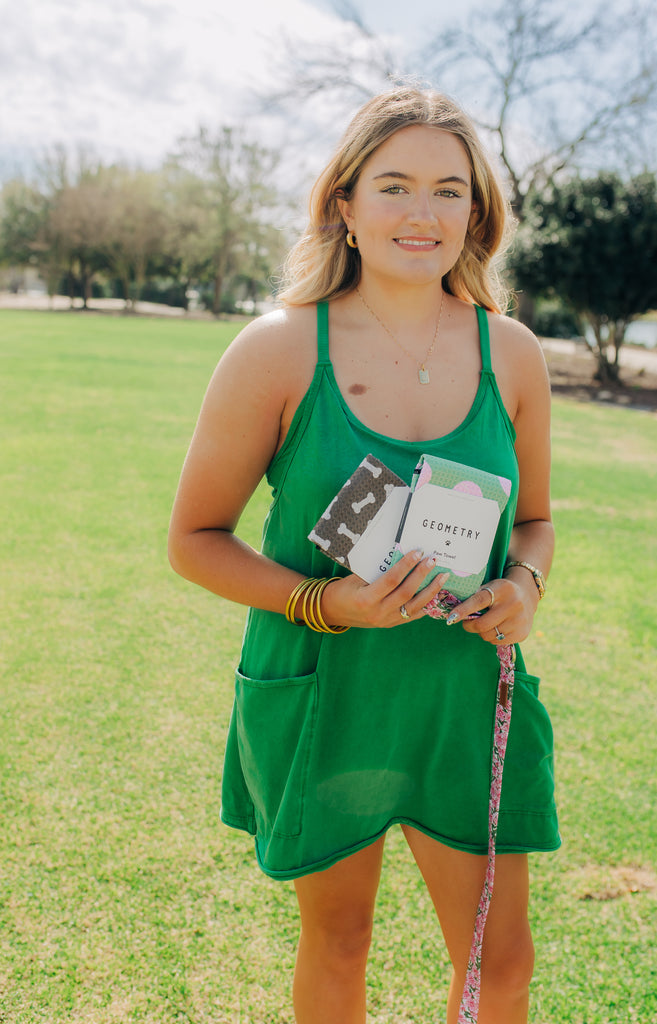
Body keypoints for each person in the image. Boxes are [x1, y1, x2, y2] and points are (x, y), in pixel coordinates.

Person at [168, 87, 560, 1024]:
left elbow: (537, 521)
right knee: (339, 944)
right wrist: (323, 604)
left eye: (447, 190)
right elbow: (192, 541)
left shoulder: (511, 353)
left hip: (461, 694)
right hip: (326, 688)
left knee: (497, 967)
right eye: (392, 186)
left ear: (476, 212)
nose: (420, 214)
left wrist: (524, 583)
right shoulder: (275, 350)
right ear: (343, 204)